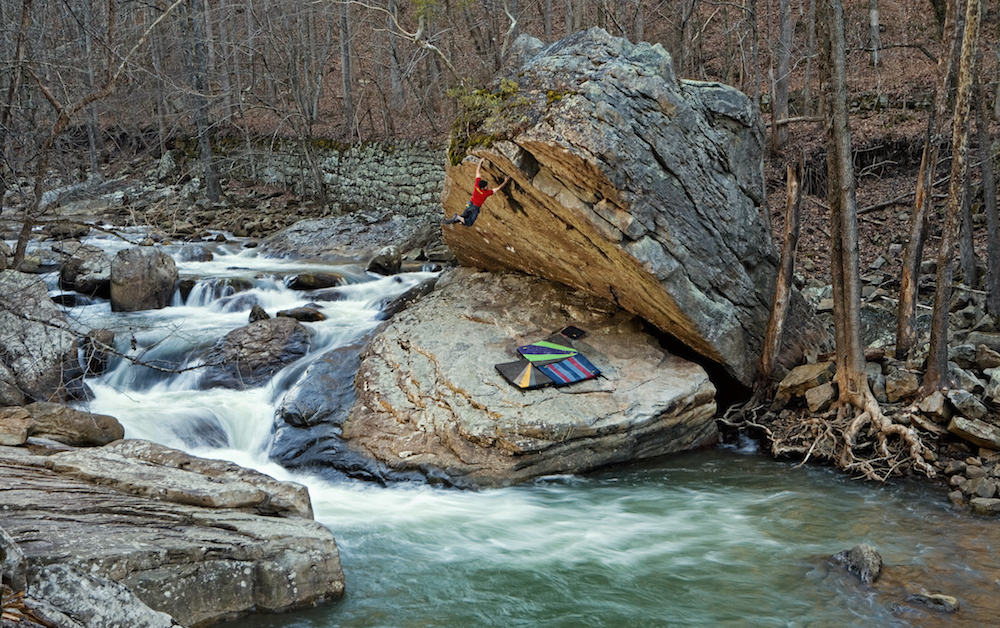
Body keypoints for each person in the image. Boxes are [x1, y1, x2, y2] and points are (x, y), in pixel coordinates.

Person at [444, 158, 509, 226]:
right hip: (475, 207)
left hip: (469, 204)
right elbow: (498, 188)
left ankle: (454, 219)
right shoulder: (485, 193)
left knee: (463, 217)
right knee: (469, 223)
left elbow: (478, 171)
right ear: (483, 188)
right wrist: (505, 181)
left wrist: (481, 161)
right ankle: (457, 217)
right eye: (486, 186)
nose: (487, 187)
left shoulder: (477, 185)